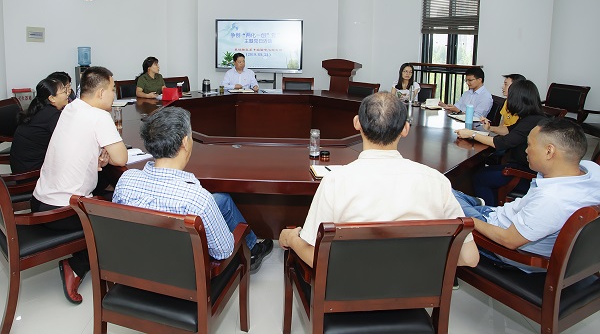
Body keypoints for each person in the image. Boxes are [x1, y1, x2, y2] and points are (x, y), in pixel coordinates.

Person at [279, 92, 479, 268]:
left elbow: (316, 258)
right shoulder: (436, 182)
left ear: (357, 123)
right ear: (405, 129)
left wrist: (291, 238)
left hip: (350, 293)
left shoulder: (336, 181)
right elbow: (469, 257)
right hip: (415, 292)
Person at [112, 106, 273, 270]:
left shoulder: (126, 181)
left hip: (136, 265)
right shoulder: (198, 199)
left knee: (222, 200)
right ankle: (253, 250)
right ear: (185, 142)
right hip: (182, 274)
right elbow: (223, 252)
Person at [32, 66, 128, 304]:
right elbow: (121, 158)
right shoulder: (99, 116)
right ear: (101, 93)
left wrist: (98, 153)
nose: (114, 95)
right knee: (122, 214)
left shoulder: (71, 107)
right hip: (62, 212)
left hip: (39, 201)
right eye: (112, 89)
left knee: (103, 187)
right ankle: (76, 265)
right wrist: (107, 153)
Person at [453, 118, 600, 273]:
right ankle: (475, 204)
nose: (526, 150)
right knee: (450, 194)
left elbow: (507, 240)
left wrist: (468, 220)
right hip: (502, 216)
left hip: (500, 244)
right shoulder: (592, 170)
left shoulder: (551, 200)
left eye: (529, 145)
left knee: (439, 192)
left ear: (549, 151)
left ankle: (473, 206)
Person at [455, 80, 546, 206]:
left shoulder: (530, 121)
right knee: (479, 171)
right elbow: (509, 130)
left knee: (479, 178)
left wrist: (472, 134)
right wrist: (490, 128)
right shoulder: (531, 117)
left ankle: (489, 211)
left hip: (523, 174)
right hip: (519, 167)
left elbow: (501, 143)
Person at [10, 78, 69, 173]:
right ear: (52, 98)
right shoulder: (52, 114)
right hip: (31, 172)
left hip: (21, 166)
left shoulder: (40, 108)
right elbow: (66, 141)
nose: (67, 94)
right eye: (64, 92)